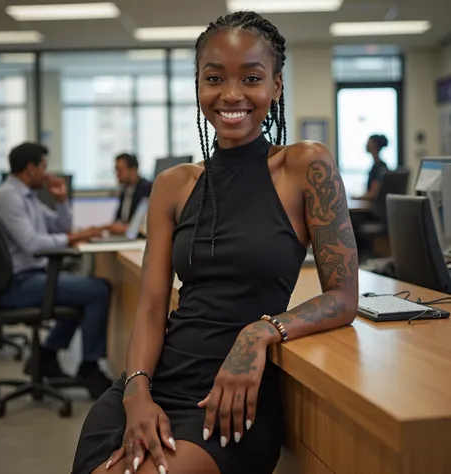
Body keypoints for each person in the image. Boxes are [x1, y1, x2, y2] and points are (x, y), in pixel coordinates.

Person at [72, 11, 358, 474]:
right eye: (214, 78)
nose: (231, 94)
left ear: (277, 86)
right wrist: (136, 391)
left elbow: (343, 297)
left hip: (229, 397)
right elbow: (150, 306)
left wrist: (260, 331)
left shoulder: (306, 166)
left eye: (251, 78)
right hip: (152, 382)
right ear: (199, 87)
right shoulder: (173, 184)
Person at [0, 142, 113, 399]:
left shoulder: (27, 197)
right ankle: (88, 368)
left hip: (32, 278)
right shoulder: (9, 198)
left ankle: (45, 356)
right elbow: (33, 244)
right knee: (98, 290)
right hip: (16, 285)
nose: (47, 173)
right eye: (43, 167)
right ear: (30, 168)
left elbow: (57, 226)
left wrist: (61, 202)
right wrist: (75, 236)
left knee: (83, 292)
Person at [108, 153, 152, 236]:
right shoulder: (124, 191)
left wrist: (125, 228)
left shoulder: (147, 189)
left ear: (133, 170)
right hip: (125, 237)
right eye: (116, 171)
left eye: (120, 171)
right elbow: (118, 220)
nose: (117, 175)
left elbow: (143, 225)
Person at [354, 134, 389, 200]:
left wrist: (355, 197)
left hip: (374, 207)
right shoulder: (377, 165)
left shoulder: (380, 167)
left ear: (375, 145)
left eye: (369, 142)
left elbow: (372, 194)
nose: (366, 144)